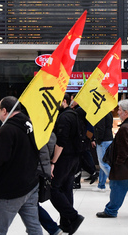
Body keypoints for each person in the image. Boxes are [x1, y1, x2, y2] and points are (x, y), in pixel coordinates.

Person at [0, 96, 42, 235]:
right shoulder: (28, 123)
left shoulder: (8, 130)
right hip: (30, 184)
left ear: (4, 111)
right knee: (33, 226)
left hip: (10, 190)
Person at [50, 94, 85, 234]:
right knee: (66, 188)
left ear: (64, 101)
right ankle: (66, 223)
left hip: (65, 158)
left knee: (53, 189)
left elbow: (61, 142)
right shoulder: (74, 115)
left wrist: (53, 161)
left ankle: (73, 217)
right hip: (74, 157)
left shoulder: (65, 117)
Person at [38, 132, 63, 235]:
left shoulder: (33, 131)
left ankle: (53, 228)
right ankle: (53, 228)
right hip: (42, 169)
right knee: (29, 205)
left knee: (29, 205)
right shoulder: (49, 132)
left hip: (35, 171)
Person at [93, 110, 114, 192]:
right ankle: (101, 185)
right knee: (104, 163)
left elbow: (100, 128)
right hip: (108, 139)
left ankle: (115, 180)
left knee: (103, 164)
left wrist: (98, 139)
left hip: (103, 141)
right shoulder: (109, 112)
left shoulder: (101, 113)